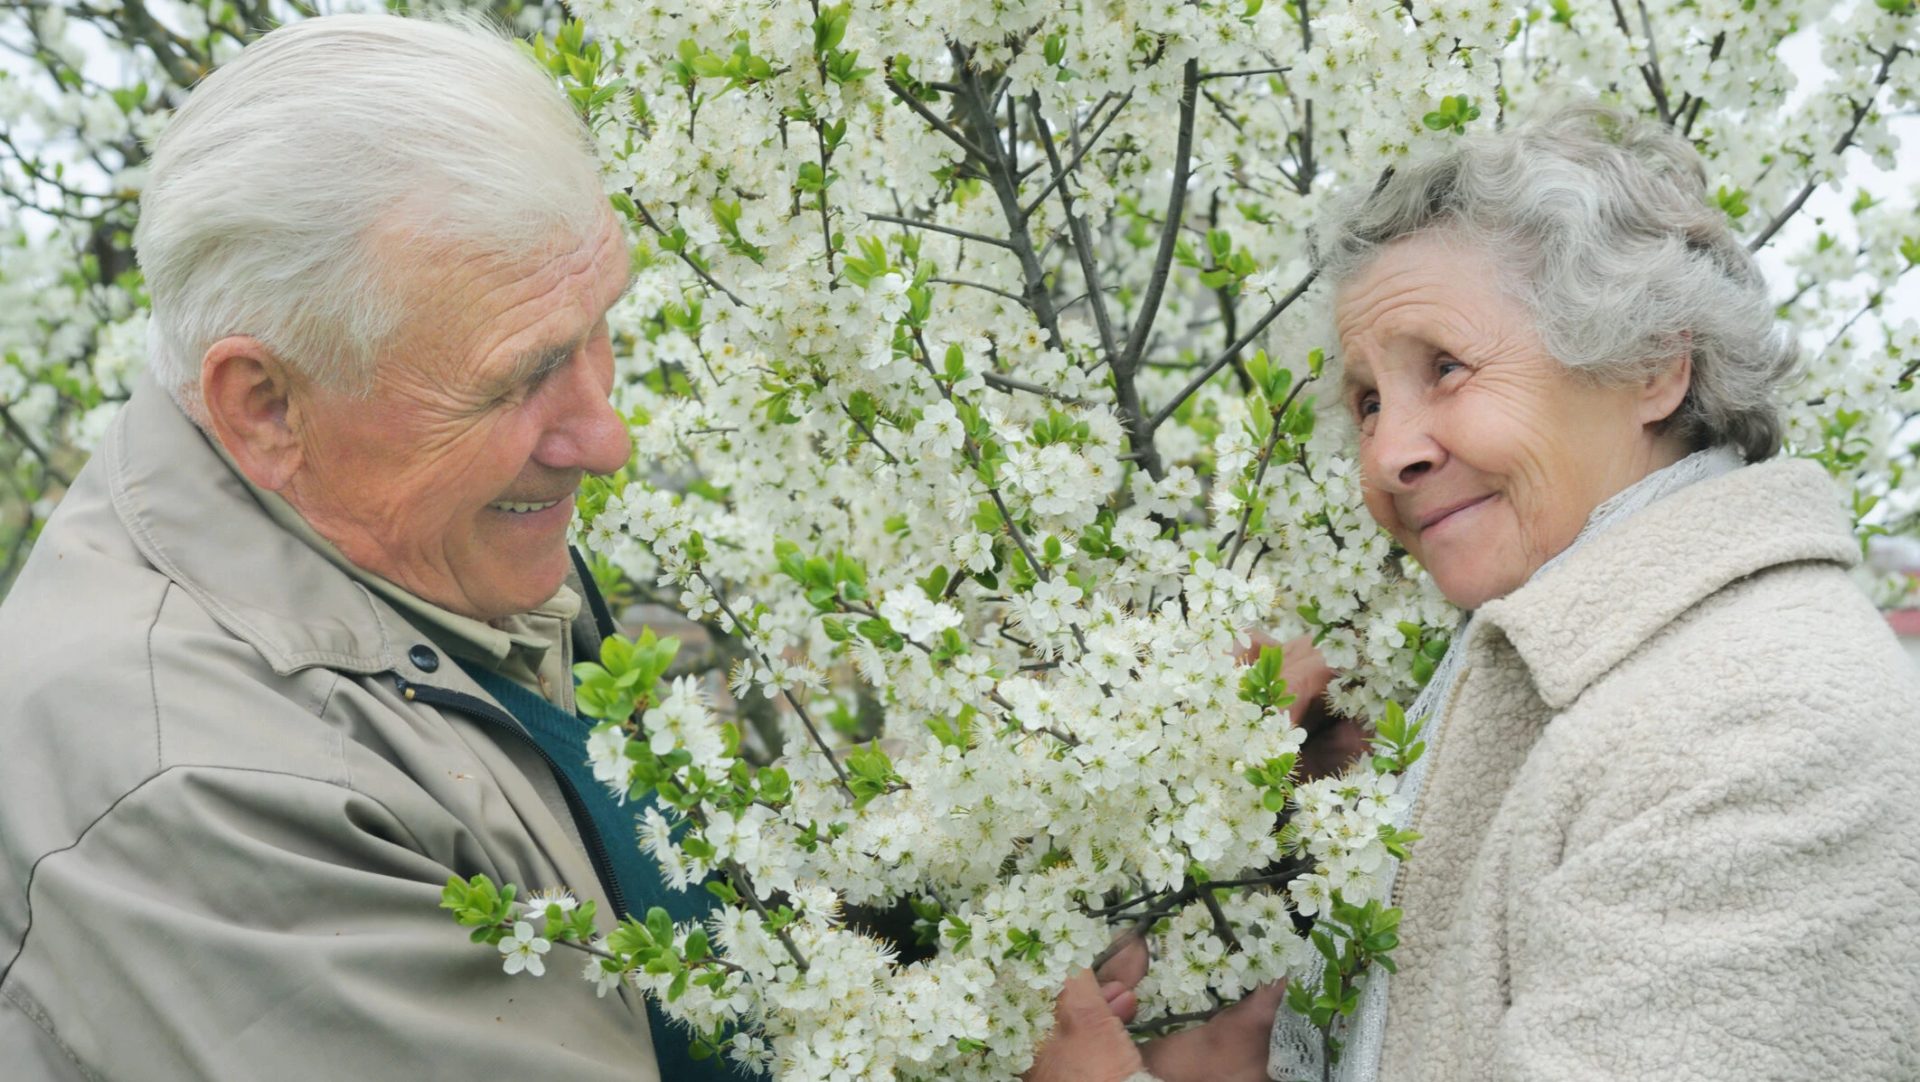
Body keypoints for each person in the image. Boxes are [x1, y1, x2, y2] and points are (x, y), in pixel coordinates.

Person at [1040, 101, 1920, 1081]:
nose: (1388, 454)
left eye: (1446, 369)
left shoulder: (1751, 718)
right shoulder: (1571, 673)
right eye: (1369, 399)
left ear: (1652, 367)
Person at [0, 15, 734, 1080]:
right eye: (522, 376)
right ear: (265, 408)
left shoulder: (409, 531)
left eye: (597, 329)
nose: (606, 438)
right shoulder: (200, 790)